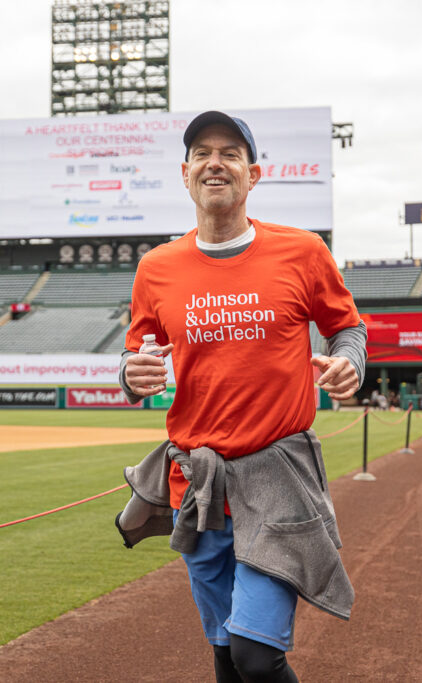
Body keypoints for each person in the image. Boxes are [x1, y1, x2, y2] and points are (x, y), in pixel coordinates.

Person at [115, 111, 367, 683]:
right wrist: (131, 376)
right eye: (202, 152)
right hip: (198, 487)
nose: (215, 162)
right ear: (185, 174)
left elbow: (347, 328)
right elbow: (136, 360)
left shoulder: (302, 252)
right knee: (227, 653)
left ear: (253, 174)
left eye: (230, 153)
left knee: (257, 654)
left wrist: (349, 361)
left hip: (278, 477)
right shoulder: (156, 269)